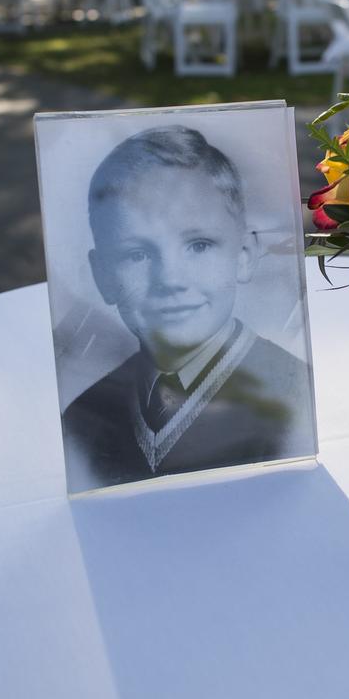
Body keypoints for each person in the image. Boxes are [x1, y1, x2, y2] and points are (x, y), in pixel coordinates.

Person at [61, 125, 312, 492]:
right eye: (137, 254)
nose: (170, 279)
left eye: (198, 245)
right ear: (103, 276)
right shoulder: (84, 418)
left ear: (243, 256)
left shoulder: (295, 405)